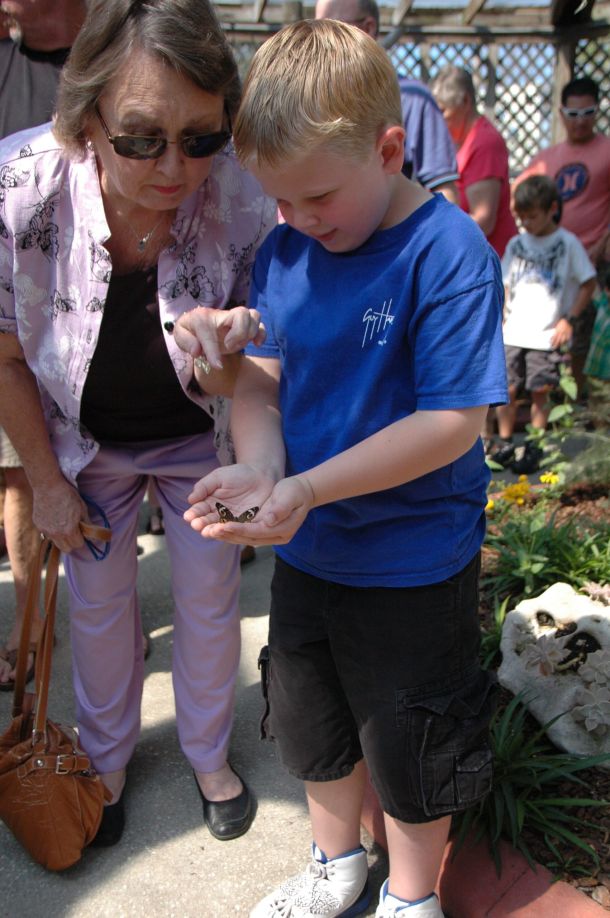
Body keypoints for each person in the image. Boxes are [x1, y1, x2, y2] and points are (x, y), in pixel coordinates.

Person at [184, 20, 508, 918]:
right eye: (279, 200)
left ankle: (410, 896)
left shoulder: (446, 254)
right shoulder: (287, 250)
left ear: (390, 150)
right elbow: (264, 381)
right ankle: (336, 863)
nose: (296, 219)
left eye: (317, 195)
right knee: (311, 717)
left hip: (412, 559)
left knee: (412, 737)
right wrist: (259, 463)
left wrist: (306, 487)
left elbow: (451, 422)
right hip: (311, 548)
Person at [0, 0, 275, 848]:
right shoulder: (18, 189)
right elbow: (3, 354)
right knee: (99, 609)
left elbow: (266, 354)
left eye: (201, 137)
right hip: (87, 446)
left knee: (210, 603)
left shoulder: (244, 190)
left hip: (201, 440)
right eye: (142, 139)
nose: (175, 168)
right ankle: (108, 758)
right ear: (86, 119)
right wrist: (45, 482)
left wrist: (237, 338)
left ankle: (207, 754)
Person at [0, 0, 87, 690]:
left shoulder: (112, 49)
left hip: (97, 305)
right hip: (12, 305)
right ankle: (31, 625)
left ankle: (95, 617)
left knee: (101, 473)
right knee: (19, 472)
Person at [492, 175, 596, 473]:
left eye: (532, 216)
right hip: (513, 331)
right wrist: (501, 314)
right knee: (506, 389)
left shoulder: (568, 243)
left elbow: (588, 283)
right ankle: (505, 443)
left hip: (546, 334)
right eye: (521, 217)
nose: (526, 223)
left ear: (552, 208)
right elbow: (505, 281)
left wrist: (569, 319)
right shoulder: (517, 243)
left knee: (541, 389)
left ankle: (534, 444)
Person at [514, 76, 610, 397]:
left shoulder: (606, 150)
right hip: (551, 263)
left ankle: (581, 403)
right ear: (561, 114)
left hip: (593, 261)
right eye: (573, 114)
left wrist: (604, 241)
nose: (580, 121)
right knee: (550, 338)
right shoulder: (548, 157)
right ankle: (555, 403)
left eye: (587, 113)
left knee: (585, 339)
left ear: (597, 111)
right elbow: (520, 194)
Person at [314, 0, 459, 203]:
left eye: (331, 29)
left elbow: (446, 193)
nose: (320, 43)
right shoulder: (312, 100)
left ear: (367, 29)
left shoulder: (413, 99)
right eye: (315, 31)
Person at [430, 64, 517, 258]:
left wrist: (432, 234)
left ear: (465, 102)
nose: (438, 120)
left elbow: (484, 221)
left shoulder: (485, 142)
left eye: (443, 111)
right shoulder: (457, 141)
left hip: (490, 258)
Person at [584, 264, 610, 429]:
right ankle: (600, 438)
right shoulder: (603, 305)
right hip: (594, 371)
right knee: (596, 410)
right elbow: (591, 284)